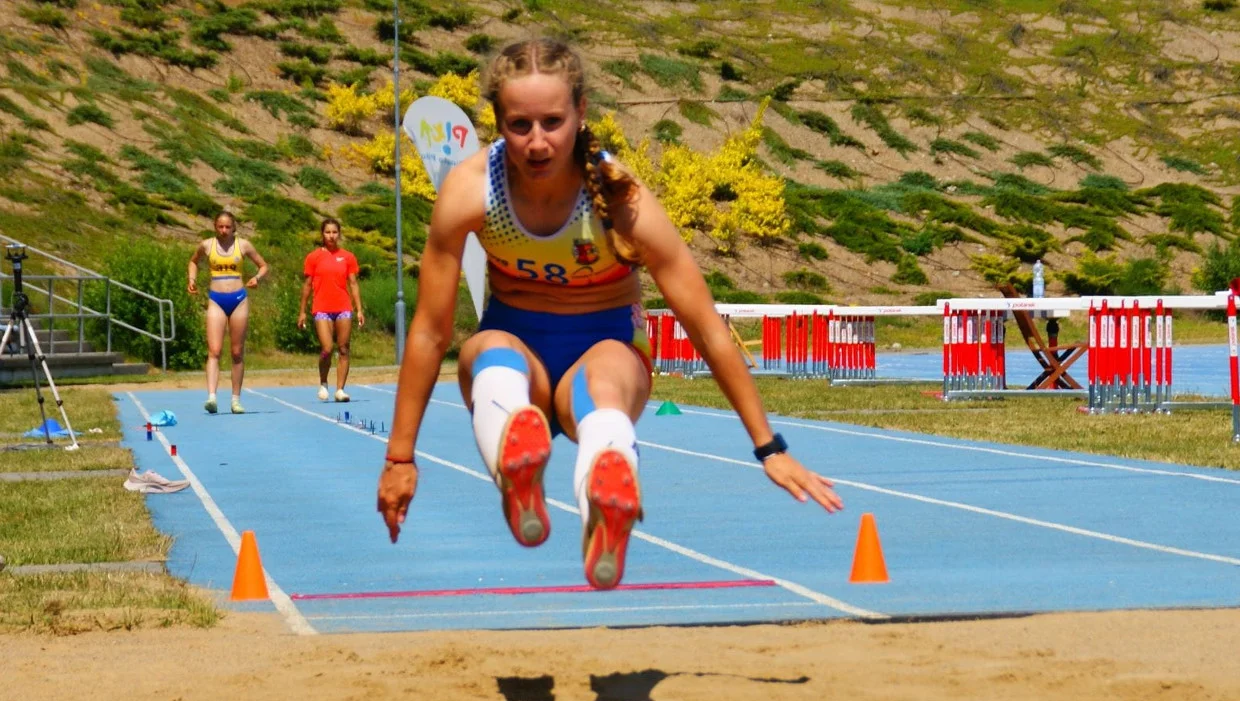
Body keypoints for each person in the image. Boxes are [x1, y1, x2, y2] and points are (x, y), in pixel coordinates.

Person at [377, 38, 843, 590]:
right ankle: (519, 465)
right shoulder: (471, 190)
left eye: (552, 121)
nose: (537, 142)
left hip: (606, 349)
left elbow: (704, 326)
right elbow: (431, 331)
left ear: (581, 112)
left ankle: (604, 499)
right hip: (517, 345)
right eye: (519, 125)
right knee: (487, 350)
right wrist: (399, 457)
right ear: (497, 120)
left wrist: (770, 446)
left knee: (602, 376)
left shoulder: (621, 199)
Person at [187, 211, 269, 414]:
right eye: (220, 227)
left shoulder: (243, 245)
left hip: (239, 299)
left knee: (236, 352)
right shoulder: (207, 245)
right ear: (215, 227)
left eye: (227, 227)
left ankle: (235, 400)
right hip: (216, 300)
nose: (224, 231)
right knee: (214, 350)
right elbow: (193, 261)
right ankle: (212, 397)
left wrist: (257, 278)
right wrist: (192, 280)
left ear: (234, 228)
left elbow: (263, 265)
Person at [298, 218, 365, 402]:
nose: (331, 236)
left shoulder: (348, 257)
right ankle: (323, 382)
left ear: (339, 234)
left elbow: (353, 283)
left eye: (334, 232)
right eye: (328, 232)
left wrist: (359, 309)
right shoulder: (313, 257)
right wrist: (302, 311)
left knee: (343, 348)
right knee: (327, 348)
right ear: (322, 234)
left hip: (343, 307)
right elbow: (307, 286)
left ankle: (340, 390)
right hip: (321, 308)